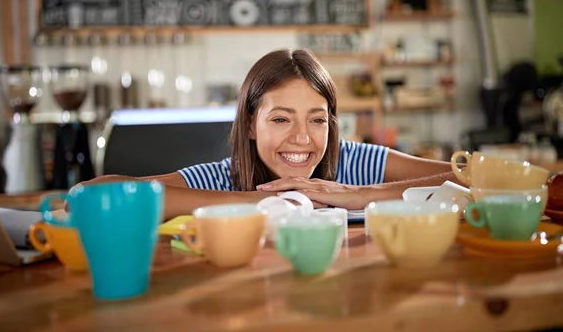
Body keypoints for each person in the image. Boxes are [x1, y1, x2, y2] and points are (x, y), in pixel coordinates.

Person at [87, 49, 459, 219]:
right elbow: (90, 195)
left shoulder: (354, 162)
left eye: (317, 120)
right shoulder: (223, 179)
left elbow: (474, 179)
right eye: (281, 120)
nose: (303, 138)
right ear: (250, 124)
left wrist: (357, 194)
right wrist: (267, 204)